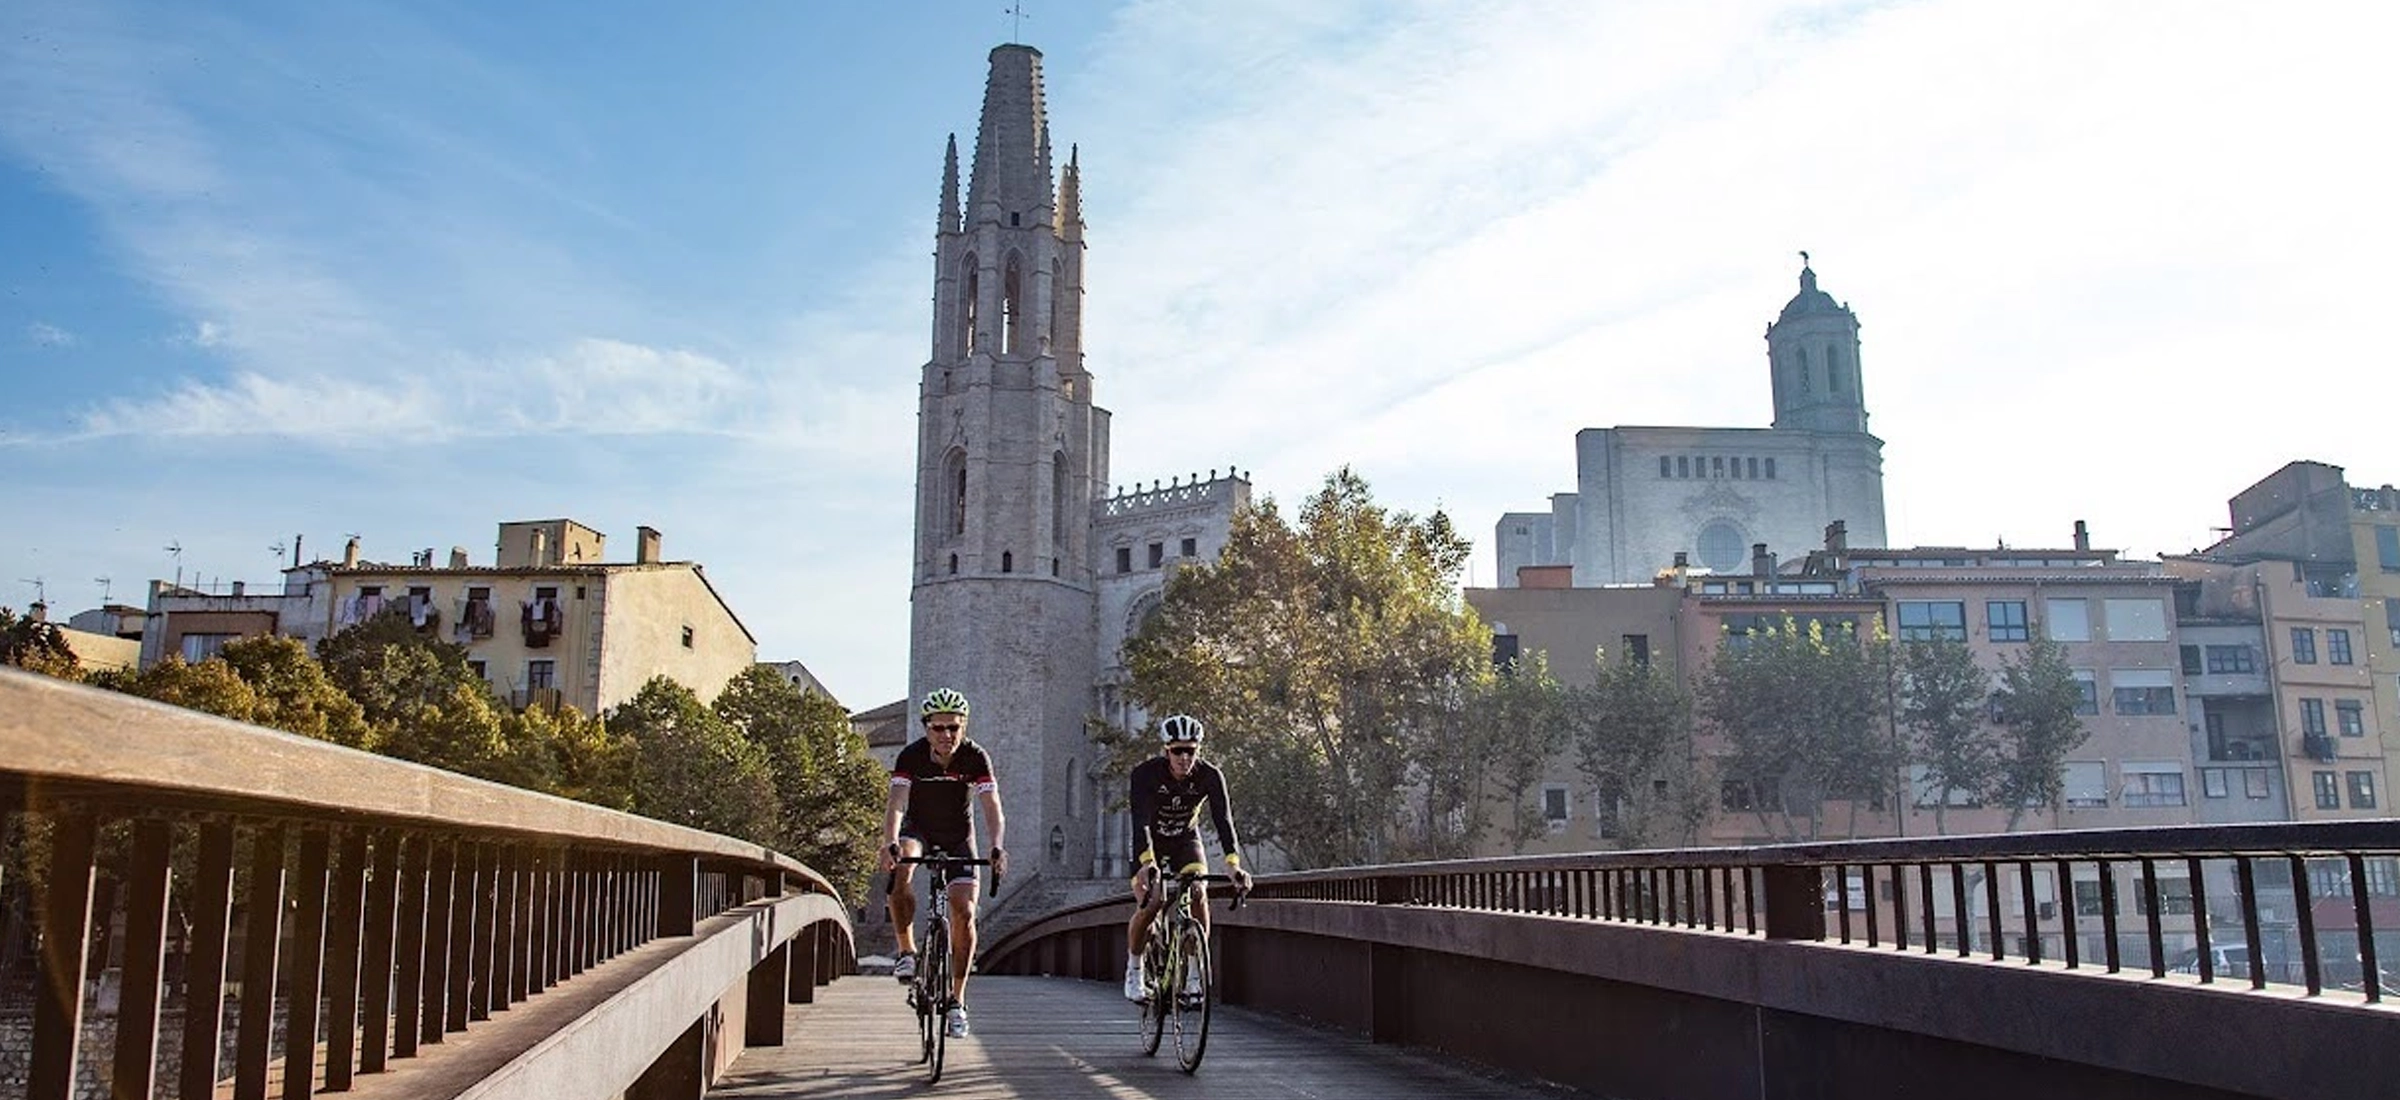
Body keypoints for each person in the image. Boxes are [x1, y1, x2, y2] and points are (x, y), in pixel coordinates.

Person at [878, 687, 1007, 1039]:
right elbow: (897, 802)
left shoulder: (975, 757)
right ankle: (907, 950)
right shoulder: (911, 756)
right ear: (926, 728)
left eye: (954, 727)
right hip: (918, 829)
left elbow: (991, 804)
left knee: (963, 911)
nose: (947, 735)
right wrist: (890, 840)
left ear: (963, 727)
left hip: (957, 836)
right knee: (903, 865)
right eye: (939, 728)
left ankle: (957, 1001)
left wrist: (997, 846)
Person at [1122, 713, 1250, 1001]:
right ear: (1166, 750)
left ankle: (1194, 975)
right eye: (1177, 751)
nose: (1184, 757)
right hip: (1150, 844)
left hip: (1185, 841)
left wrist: (1233, 865)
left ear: (1198, 750)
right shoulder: (1145, 774)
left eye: (1190, 750)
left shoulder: (1210, 776)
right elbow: (1139, 821)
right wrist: (1146, 863)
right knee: (1153, 901)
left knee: (1197, 893)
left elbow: (1223, 821)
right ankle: (1134, 971)